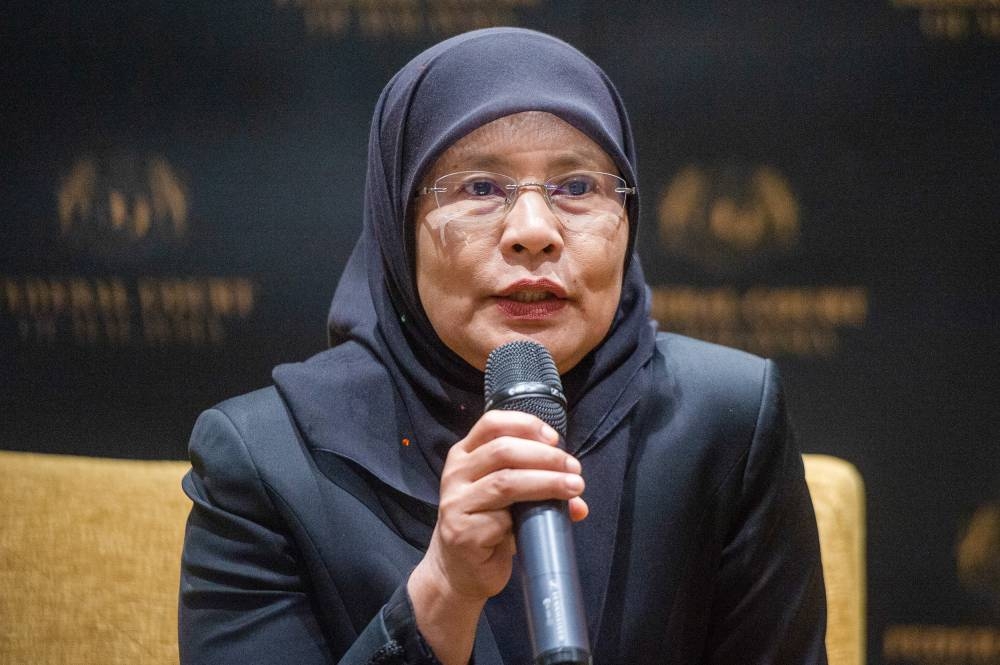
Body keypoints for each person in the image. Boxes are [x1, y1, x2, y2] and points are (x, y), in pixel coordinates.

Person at [178, 27, 827, 665]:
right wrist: (440, 595)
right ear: (398, 220)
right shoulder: (265, 460)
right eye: (480, 187)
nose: (533, 231)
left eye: (576, 187)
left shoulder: (726, 421)